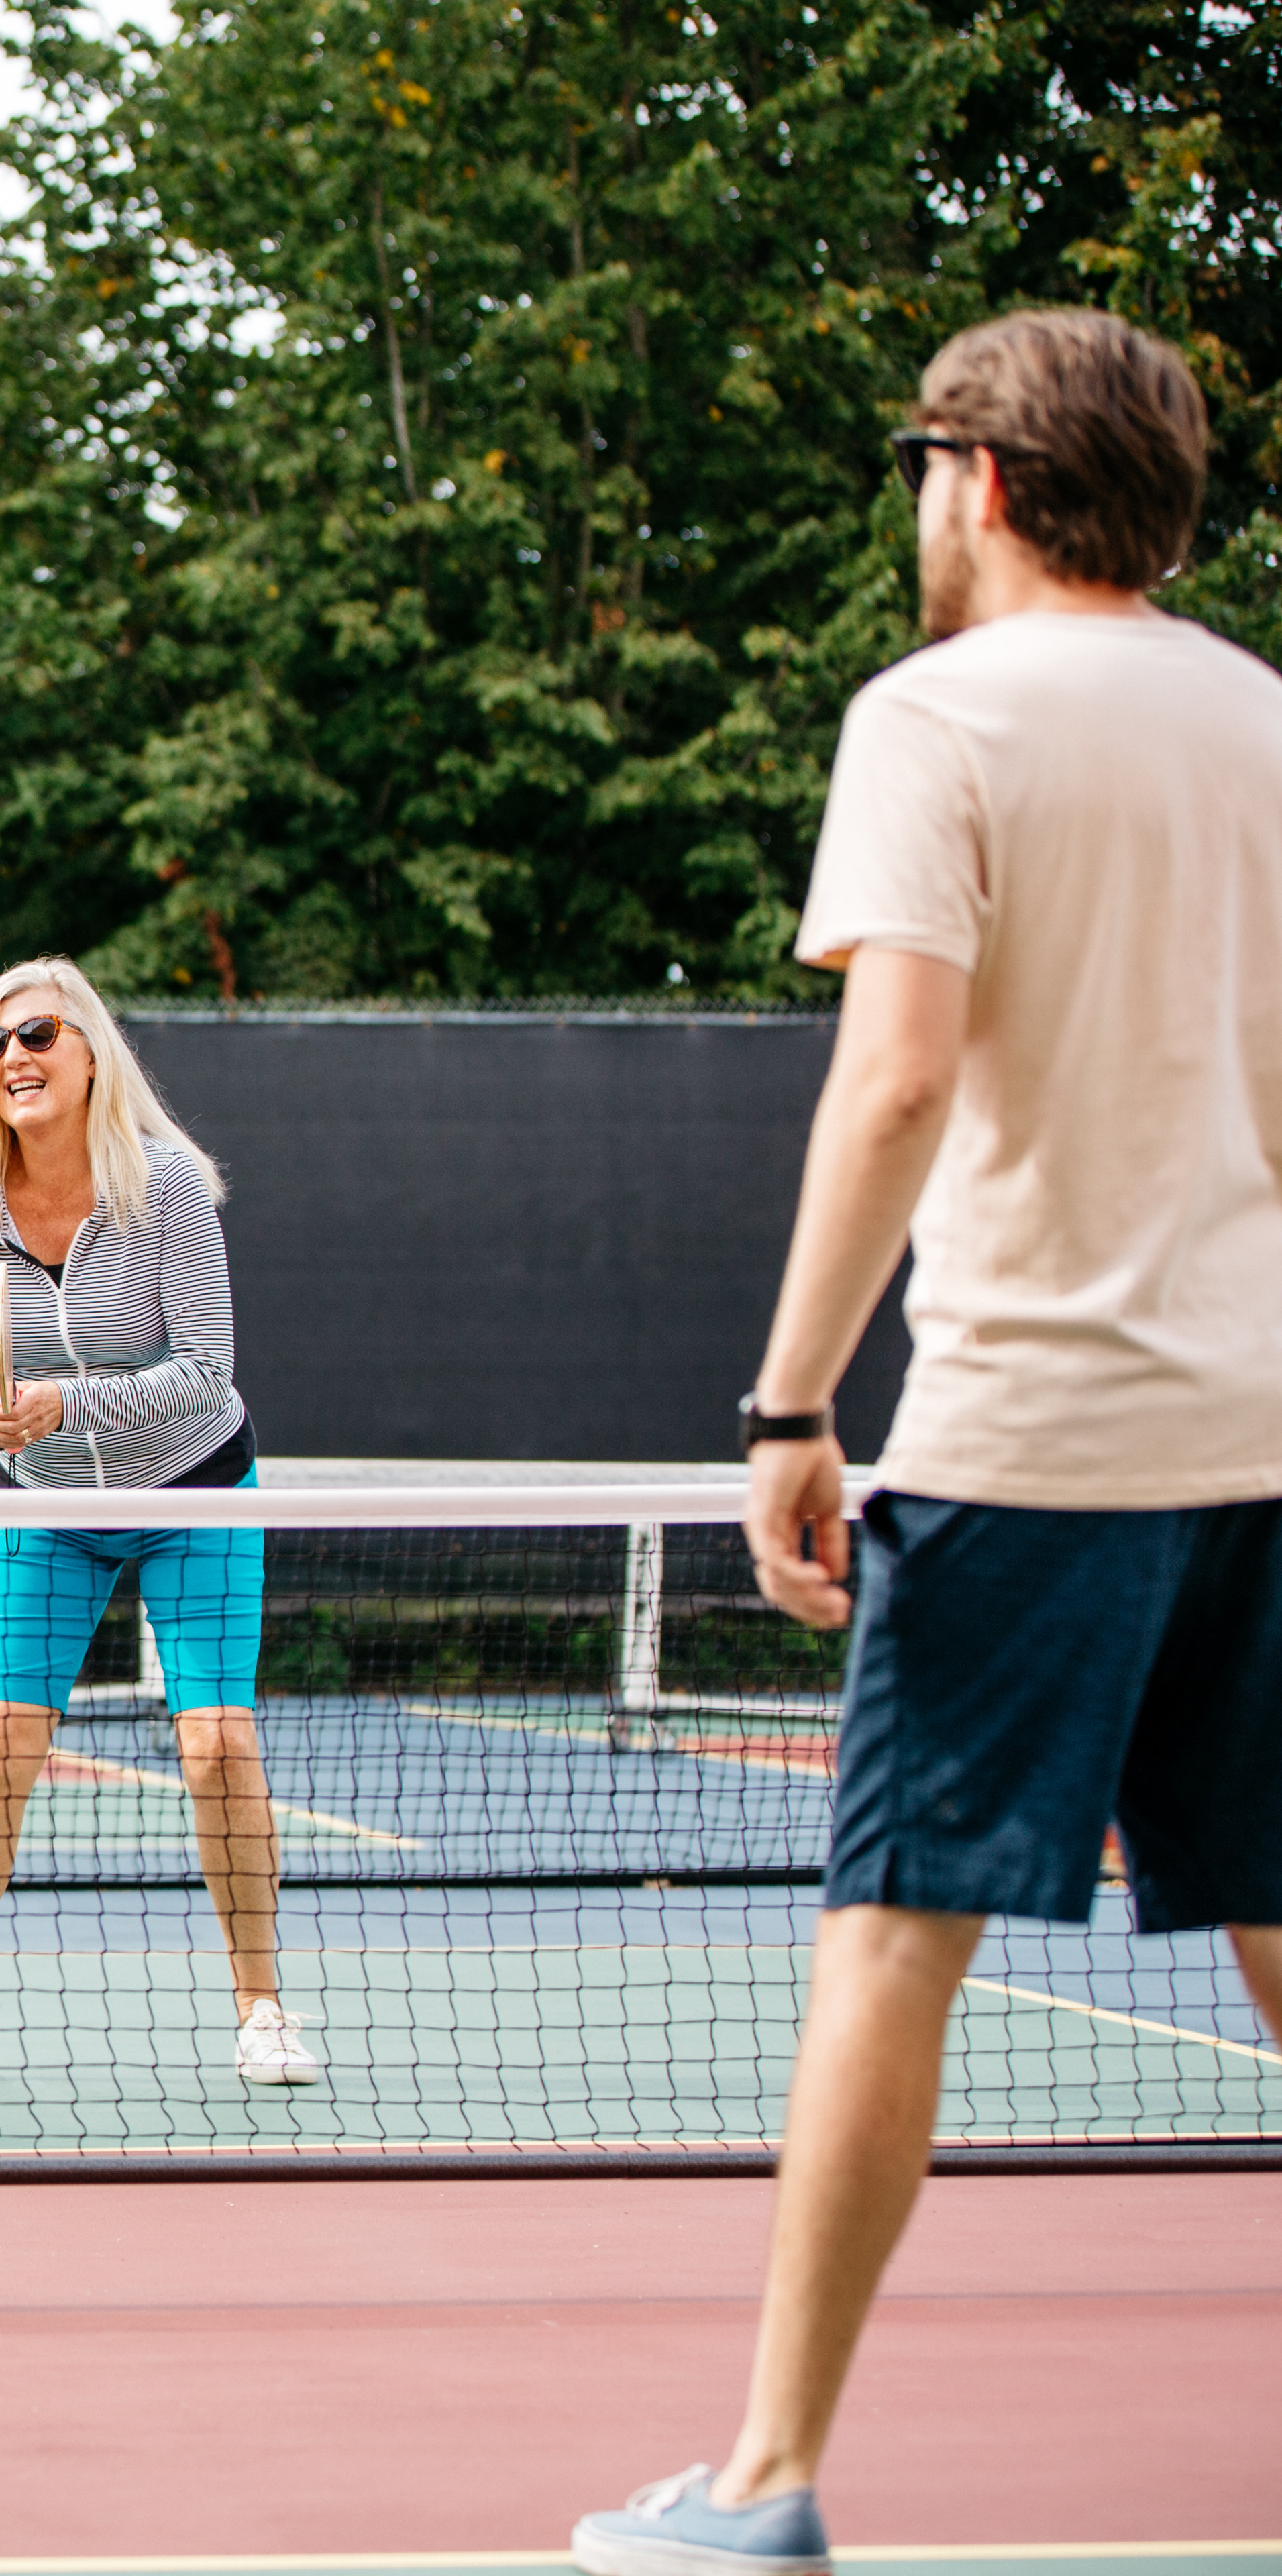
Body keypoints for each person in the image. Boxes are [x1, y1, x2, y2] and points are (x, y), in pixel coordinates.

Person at [570, 312, 1282, 2575]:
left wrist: (790, 1406)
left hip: (1034, 1448)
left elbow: (891, 1083)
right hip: (1264, 1442)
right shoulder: (1270, 721)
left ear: (979, 477)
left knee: (888, 1942)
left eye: (920, 464)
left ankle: (764, 2485)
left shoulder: (935, 718)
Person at [0, 957, 317, 2092]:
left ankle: (264, 2007)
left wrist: (71, 1401)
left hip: (194, 1490)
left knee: (218, 1743)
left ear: (88, 1053)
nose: (15, 1057)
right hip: (49, 1508)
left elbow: (208, 1368)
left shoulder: (164, 1185)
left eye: (37, 1034)